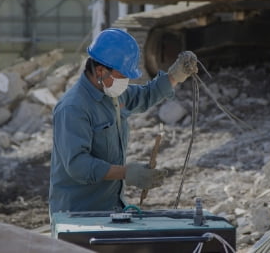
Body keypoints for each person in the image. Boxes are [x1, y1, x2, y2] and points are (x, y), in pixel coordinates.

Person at [49, 28, 198, 215]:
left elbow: (144, 96)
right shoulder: (73, 108)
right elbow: (78, 165)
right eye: (123, 76)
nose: (126, 83)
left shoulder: (110, 91)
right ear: (101, 71)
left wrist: (175, 75)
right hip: (78, 214)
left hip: (111, 207)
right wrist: (127, 173)